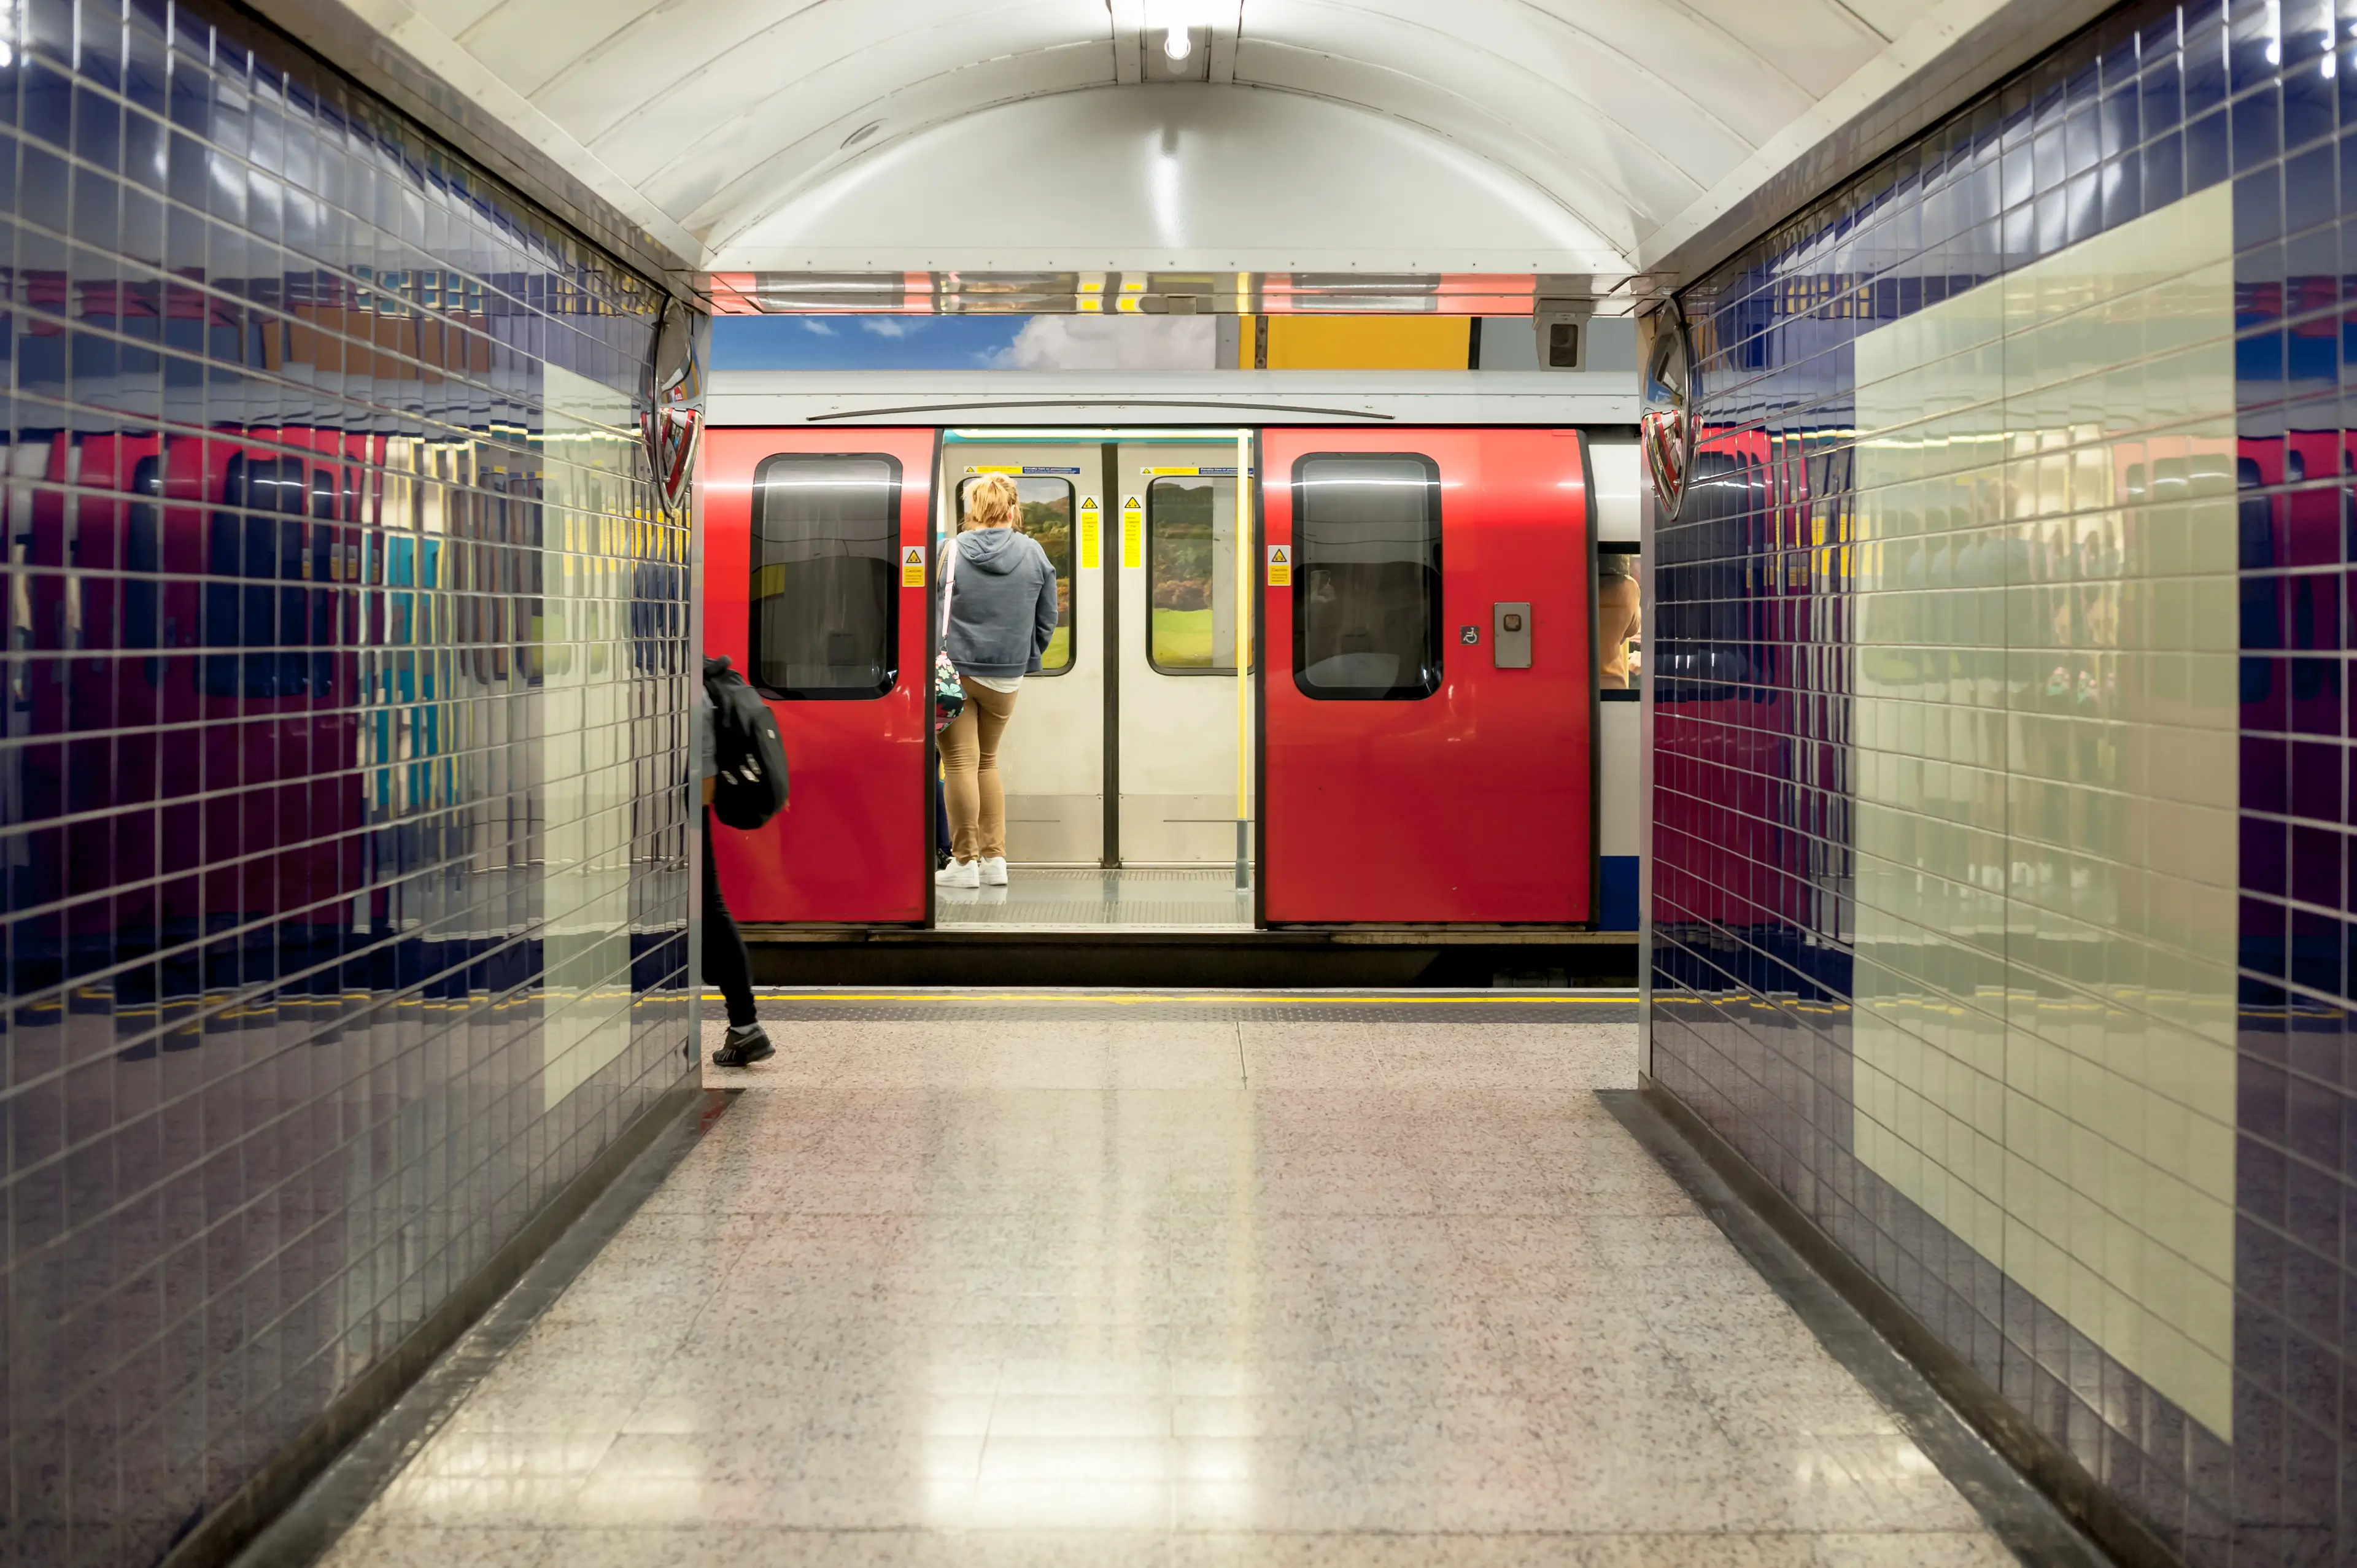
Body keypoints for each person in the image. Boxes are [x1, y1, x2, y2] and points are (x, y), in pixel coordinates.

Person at [937, 473, 1058, 889]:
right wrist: (1023, 656)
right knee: (988, 762)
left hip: (953, 673)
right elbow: (1048, 618)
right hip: (1005, 678)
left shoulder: (949, 551)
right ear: (1012, 509)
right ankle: (996, 861)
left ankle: (964, 863)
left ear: (973, 511)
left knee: (958, 764)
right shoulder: (1035, 552)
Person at [695, 676, 774, 1066]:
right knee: (710, 911)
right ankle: (745, 1026)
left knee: (710, 911)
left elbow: (706, 789)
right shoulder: (689, 677)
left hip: (681, 815)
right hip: (681, 812)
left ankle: (745, 1026)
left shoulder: (688, 690)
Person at [1597, 549, 1639, 689]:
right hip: (1612, 684)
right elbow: (1631, 630)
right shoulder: (1629, 587)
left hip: (1567, 682)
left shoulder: (1562, 585)